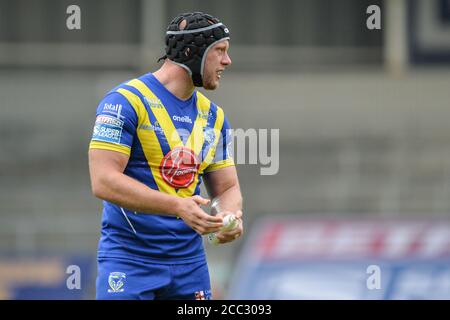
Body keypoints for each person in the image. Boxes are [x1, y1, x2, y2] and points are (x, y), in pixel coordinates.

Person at [88, 12, 243, 300]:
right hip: (129, 261)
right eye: (220, 50)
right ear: (191, 52)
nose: (227, 61)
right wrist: (177, 206)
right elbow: (103, 181)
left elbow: (227, 188)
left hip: (190, 266)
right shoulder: (124, 102)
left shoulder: (214, 117)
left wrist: (228, 214)